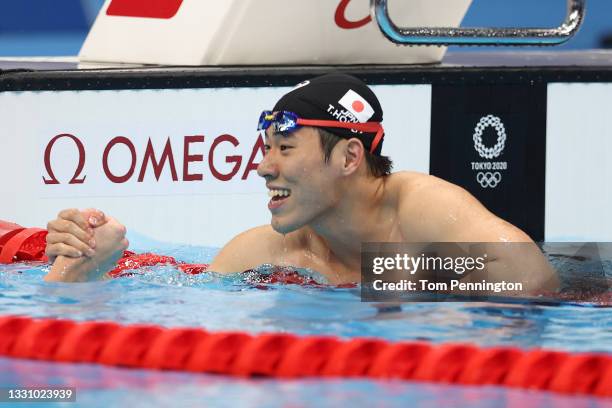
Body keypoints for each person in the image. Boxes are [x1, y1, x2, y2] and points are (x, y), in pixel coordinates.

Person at [44, 74, 557, 293]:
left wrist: (397, 281)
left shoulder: (420, 207)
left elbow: (534, 277)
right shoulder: (275, 250)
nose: (265, 167)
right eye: (266, 148)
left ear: (351, 156)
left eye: (285, 149)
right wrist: (83, 268)